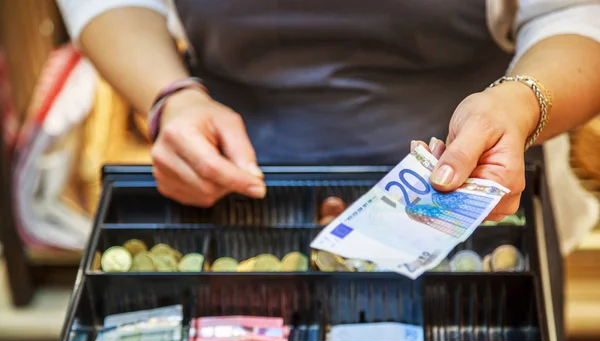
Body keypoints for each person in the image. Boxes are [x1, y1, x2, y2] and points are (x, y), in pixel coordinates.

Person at [56, 0, 600, 222]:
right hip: (233, 187)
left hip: (480, 196)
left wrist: (520, 102)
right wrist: (170, 95)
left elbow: (575, 13)